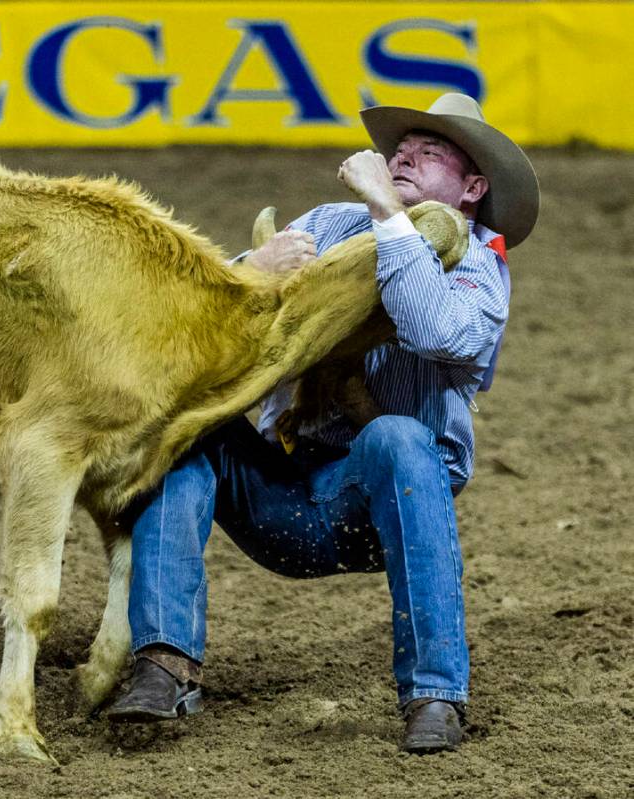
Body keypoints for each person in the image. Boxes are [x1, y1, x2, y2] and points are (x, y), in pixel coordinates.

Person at [107, 93, 539, 753]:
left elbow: (433, 329)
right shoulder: (329, 225)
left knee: (396, 438)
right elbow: (203, 321)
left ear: (473, 187)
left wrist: (388, 212)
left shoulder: (477, 263)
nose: (404, 157)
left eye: (429, 154)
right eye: (400, 151)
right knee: (182, 426)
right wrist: (250, 272)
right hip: (283, 491)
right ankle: (164, 662)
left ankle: (435, 692)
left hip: (379, 502)